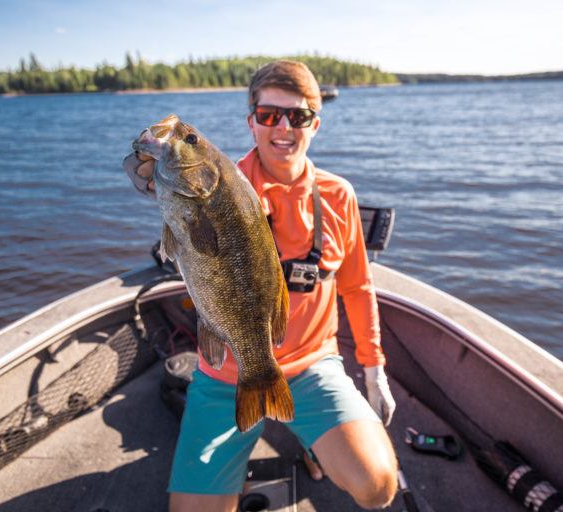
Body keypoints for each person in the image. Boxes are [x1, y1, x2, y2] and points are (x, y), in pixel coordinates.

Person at [123, 60, 398, 511]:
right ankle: (267, 435)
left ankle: (306, 437)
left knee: (378, 486)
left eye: (298, 116)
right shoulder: (221, 184)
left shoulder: (338, 195)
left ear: (315, 123)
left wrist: (373, 370)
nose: (283, 127)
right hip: (224, 373)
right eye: (270, 115)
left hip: (314, 367)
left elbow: (357, 289)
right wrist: (149, 170)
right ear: (252, 122)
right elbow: (174, 209)